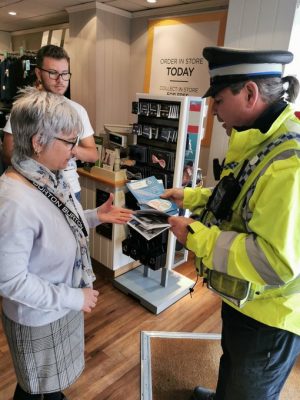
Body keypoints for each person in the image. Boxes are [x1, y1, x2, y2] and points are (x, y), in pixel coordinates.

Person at [161, 46, 300, 400]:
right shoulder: (258, 140)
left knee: (249, 384)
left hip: (270, 316)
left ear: (250, 93)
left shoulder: (290, 165)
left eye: (219, 100)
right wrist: (190, 198)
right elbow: (238, 198)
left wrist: (197, 237)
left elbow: (274, 261)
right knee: (234, 362)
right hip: (245, 298)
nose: (214, 111)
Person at [0, 87, 133, 400]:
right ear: (38, 142)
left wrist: (94, 216)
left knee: (49, 385)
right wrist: (74, 298)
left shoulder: (45, 177)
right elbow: (10, 281)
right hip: (39, 315)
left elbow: (57, 227)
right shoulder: (13, 201)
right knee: (34, 387)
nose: (75, 150)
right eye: (69, 141)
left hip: (60, 303)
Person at [2, 44, 98, 200]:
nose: (60, 80)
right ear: (39, 73)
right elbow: (7, 154)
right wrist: (45, 153)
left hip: (70, 189)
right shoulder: (25, 108)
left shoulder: (78, 110)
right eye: (53, 73)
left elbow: (93, 155)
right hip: (33, 187)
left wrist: (66, 147)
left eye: (65, 73)